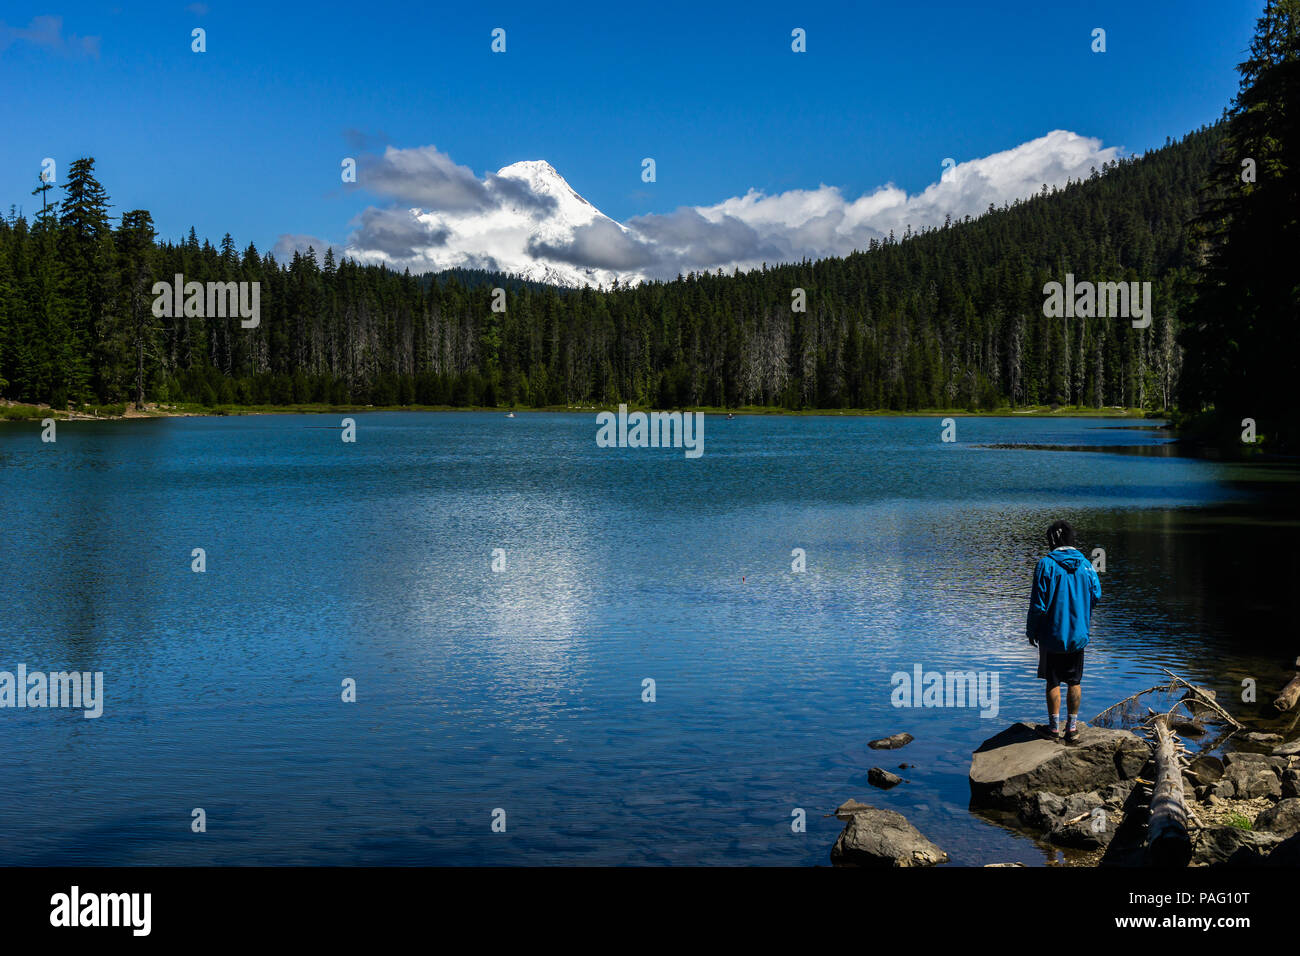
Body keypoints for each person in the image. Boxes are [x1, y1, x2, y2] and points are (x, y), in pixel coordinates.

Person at [1026, 520, 1101, 743]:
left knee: (1053, 681)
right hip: (1078, 636)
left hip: (1052, 635)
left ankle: (1053, 729)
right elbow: (1096, 594)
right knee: (1074, 681)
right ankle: (1073, 728)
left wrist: (1032, 630)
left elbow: (1038, 605)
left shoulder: (1045, 565)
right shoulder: (1087, 565)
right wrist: (1081, 612)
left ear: (1051, 541)